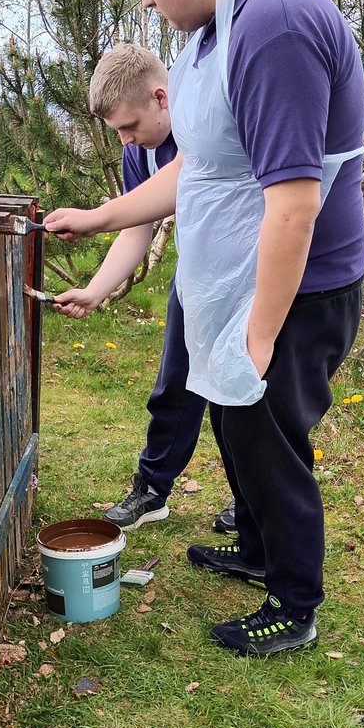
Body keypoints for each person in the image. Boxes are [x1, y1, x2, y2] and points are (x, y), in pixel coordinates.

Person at [46, 0, 364, 658]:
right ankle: (256, 551)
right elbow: (200, 169)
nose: (146, 0)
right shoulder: (218, 31)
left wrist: (256, 338)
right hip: (238, 287)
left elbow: (294, 204)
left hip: (294, 290)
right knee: (234, 429)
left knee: (267, 439)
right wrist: (101, 218)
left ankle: (294, 602)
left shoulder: (275, 26)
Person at [53, 43, 236, 535]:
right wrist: (95, 290)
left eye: (130, 127)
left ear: (162, 97)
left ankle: (253, 500)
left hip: (247, 277)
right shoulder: (140, 150)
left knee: (241, 400)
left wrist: (94, 219)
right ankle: (152, 489)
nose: (127, 141)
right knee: (174, 385)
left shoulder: (206, 129)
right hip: (195, 275)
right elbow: (138, 227)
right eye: (118, 133)